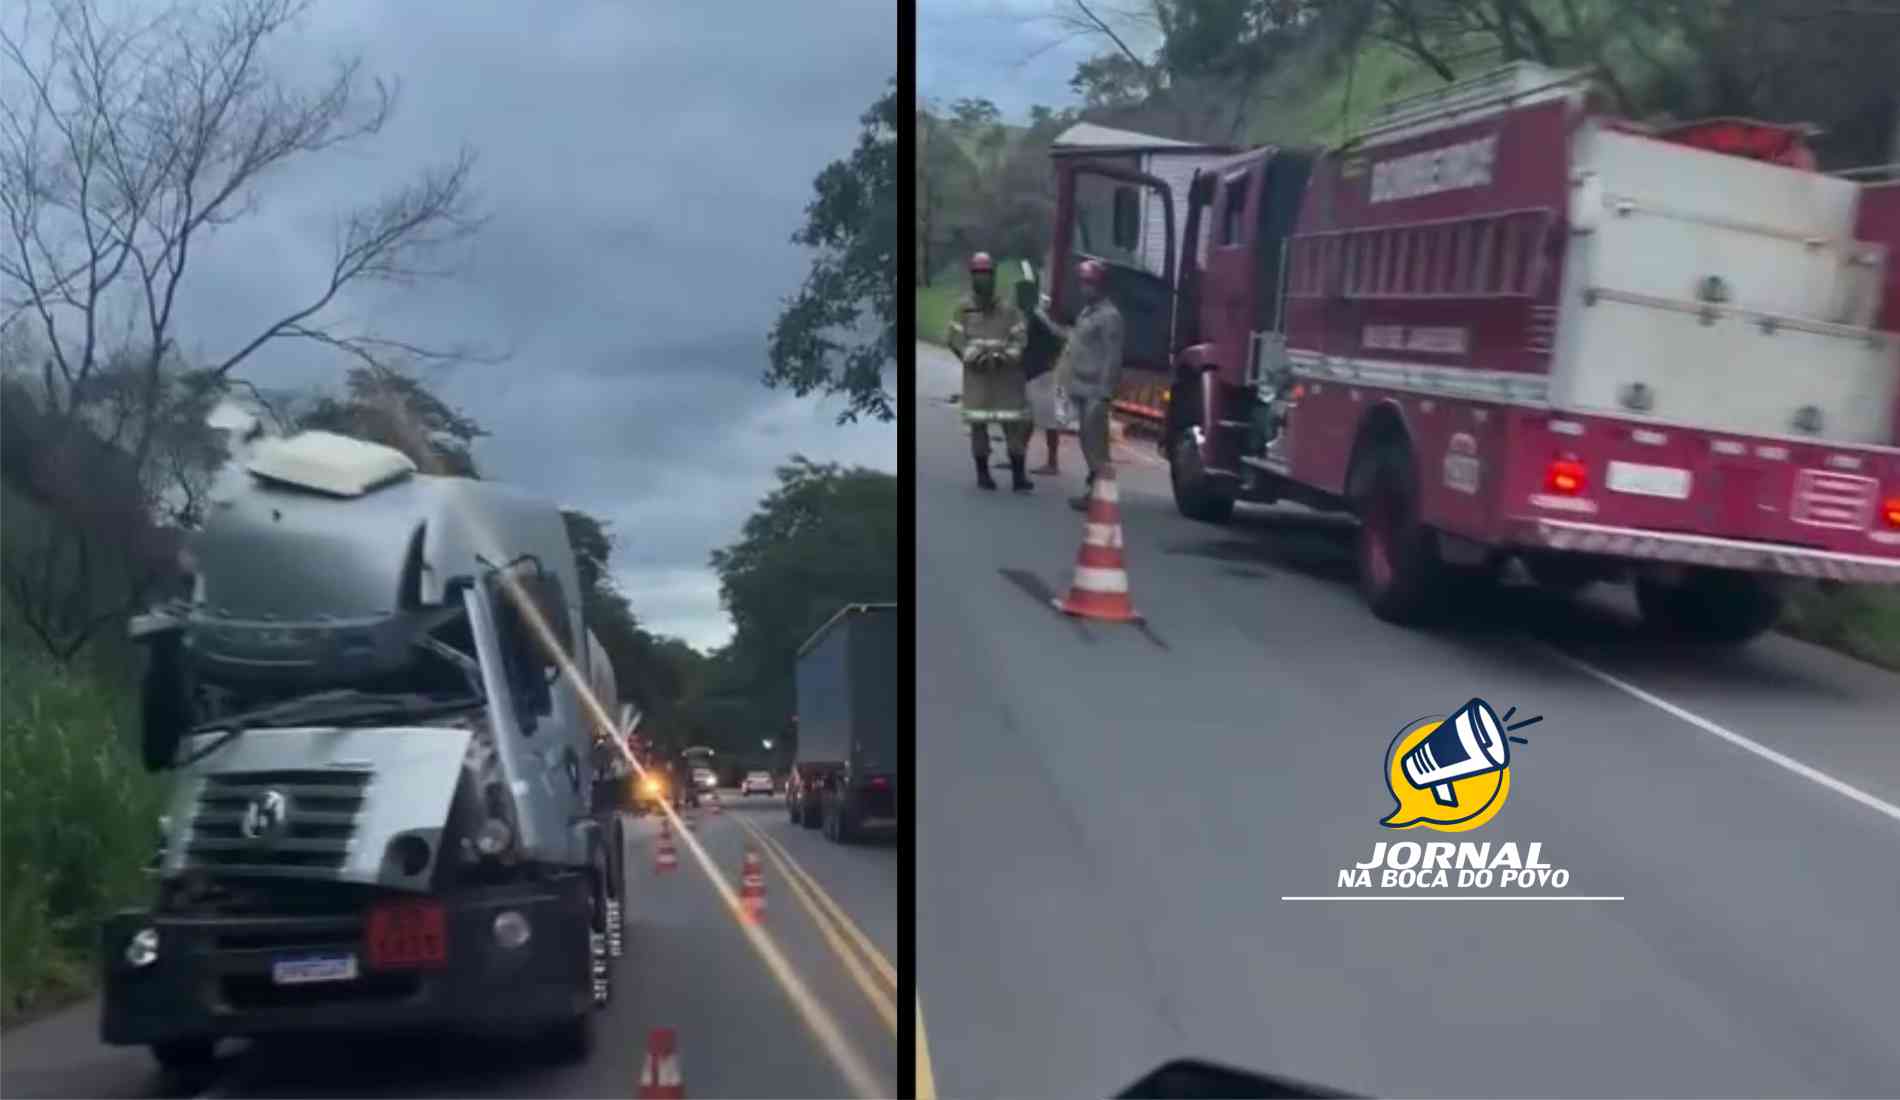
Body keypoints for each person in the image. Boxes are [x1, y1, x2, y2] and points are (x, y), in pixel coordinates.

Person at [1037, 259, 1123, 511]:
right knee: (1088, 443)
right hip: (1081, 388)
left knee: (1096, 446)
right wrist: (1048, 324)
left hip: (1095, 391)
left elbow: (1112, 357)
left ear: (1101, 286)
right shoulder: (1087, 313)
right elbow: (1075, 340)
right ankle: (1095, 492)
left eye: (1089, 283)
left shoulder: (1110, 317)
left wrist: (1104, 393)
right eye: (1083, 282)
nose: (1084, 288)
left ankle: (1101, 497)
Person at [946, 252, 1033, 492]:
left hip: (1006, 377)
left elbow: (1020, 338)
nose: (982, 278)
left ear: (993, 276)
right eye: (978, 274)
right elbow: (955, 339)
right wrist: (973, 357)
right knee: (978, 427)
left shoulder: (1009, 309)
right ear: (972, 276)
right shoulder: (963, 308)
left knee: (1013, 427)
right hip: (978, 377)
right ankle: (983, 474)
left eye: (986, 273)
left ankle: (1018, 476)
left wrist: (1006, 356)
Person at [1019, 269, 1068, 475]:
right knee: (1027, 419)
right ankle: (1018, 456)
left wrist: (1051, 359)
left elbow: (1059, 337)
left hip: (1042, 375)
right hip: (1033, 374)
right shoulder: (1030, 316)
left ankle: (1053, 463)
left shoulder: (1038, 317)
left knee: (1048, 420)